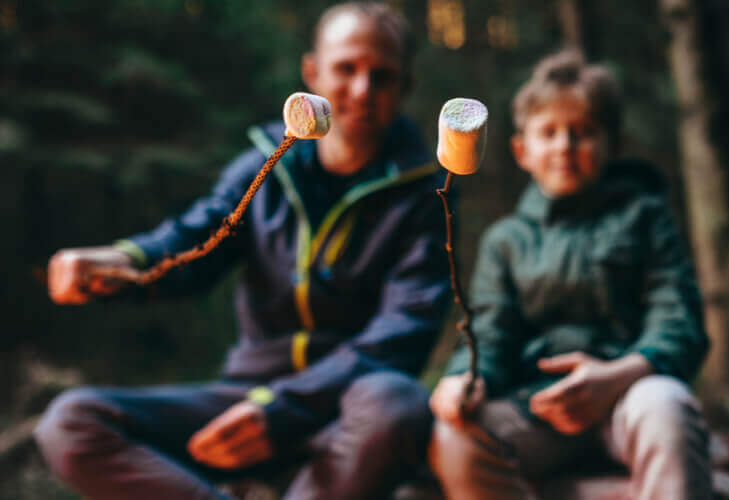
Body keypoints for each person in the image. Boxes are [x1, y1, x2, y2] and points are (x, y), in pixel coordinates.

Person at [35, 3, 451, 499]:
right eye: (347, 69)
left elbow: (401, 335)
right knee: (72, 423)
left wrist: (285, 408)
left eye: (382, 76)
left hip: (344, 411)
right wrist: (125, 262)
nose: (363, 90)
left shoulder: (428, 194)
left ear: (405, 88)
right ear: (312, 72)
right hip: (241, 399)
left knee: (394, 400)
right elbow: (197, 240)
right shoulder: (264, 165)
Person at [427, 49, 711, 499]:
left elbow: (677, 320)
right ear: (522, 150)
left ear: (611, 145)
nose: (565, 145)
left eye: (583, 132)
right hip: (535, 406)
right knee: (454, 436)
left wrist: (617, 376)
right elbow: (489, 333)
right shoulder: (507, 240)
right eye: (550, 132)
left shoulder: (645, 216)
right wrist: (467, 377)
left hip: (629, 394)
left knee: (667, 406)